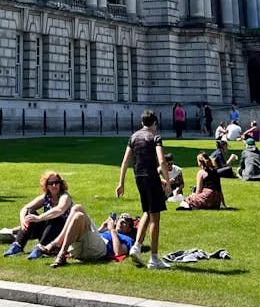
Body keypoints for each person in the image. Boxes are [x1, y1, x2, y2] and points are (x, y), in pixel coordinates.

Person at [116, 109, 171, 270]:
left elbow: (125, 161)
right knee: (156, 217)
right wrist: (167, 182)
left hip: (138, 177)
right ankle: (154, 258)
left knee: (147, 211)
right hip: (151, 177)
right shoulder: (155, 137)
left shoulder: (133, 137)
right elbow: (161, 160)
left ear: (142, 123)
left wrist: (121, 183)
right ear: (154, 123)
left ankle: (137, 246)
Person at [0, 171, 73, 257]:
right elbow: (25, 208)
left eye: (57, 183)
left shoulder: (65, 197)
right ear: (46, 185)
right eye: (51, 183)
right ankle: (18, 245)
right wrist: (23, 221)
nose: (54, 186)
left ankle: (40, 248)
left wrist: (39, 218)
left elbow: (59, 209)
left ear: (61, 184)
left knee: (56, 217)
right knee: (30, 213)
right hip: (47, 232)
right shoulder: (46, 197)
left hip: (61, 236)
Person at [40, 206, 137, 268]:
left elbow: (119, 252)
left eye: (126, 222)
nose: (122, 221)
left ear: (129, 229)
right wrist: (100, 229)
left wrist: (112, 230)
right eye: (121, 219)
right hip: (79, 251)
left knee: (78, 209)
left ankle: (57, 246)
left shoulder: (127, 239)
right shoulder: (107, 231)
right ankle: (61, 251)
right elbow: (90, 236)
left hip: (98, 250)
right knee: (77, 214)